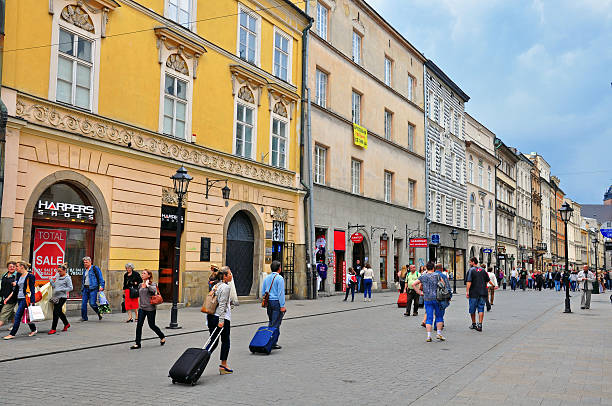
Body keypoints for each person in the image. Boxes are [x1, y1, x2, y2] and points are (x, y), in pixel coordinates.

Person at [207, 267, 234, 374]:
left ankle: (201, 358)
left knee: (213, 342)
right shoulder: (226, 288)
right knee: (225, 341)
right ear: (225, 276)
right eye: (230, 274)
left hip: (211, 316)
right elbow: (222, 305)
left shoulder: (216, 285)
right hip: (221, 318)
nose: (232, 276)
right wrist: (221, 321)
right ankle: (223, 365)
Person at [130, 269, 165, 349]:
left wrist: (148, 285)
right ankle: (137, 343)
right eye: (142, 273)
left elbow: (154, 291)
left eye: (144, 273)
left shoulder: (152, 284)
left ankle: (161, 336)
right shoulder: (140, 285)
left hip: (150, 308)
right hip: (142, 308)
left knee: (152, 325)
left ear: (149, 275)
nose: (142, 274)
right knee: (139, 325)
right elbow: (138, 294)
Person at [412, 261, 445, 342]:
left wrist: (419, 292)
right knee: (439, 316)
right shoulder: (437, 275)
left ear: (426, 268)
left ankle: (428, 336)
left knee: (429, 317)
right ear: (433, 268)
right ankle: (438, 333)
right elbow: (443, 284)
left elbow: (413, 284)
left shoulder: (423, 276)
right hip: (437, 298)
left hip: (427, 298)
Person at [3, 261, 37, 339]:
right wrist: (9, 298)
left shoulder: (30, 276)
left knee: (17, 315)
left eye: (17, 266)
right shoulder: (19, 275)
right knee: (27, 315)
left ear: (22, 266)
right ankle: (34, 329)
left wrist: (32, 301)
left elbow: (32, 289)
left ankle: (12, 334)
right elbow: (16, 289)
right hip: (19, 297)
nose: (16, 268)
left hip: (26, 298)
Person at [261, 260, 285, 350]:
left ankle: (271, 341)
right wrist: (282, 305)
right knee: (275, 323)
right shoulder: (280, 278)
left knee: (271, 321)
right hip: (276, 302)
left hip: (269, 303)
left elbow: (263, 292)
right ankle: (270, 342)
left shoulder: (267, 278)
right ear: (279, 269)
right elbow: (281, 293)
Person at [48, 263, 73, 334]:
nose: (58, 273)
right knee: (59, 311)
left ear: (64, 271)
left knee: (55, 312)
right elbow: (54, 286)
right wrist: (51, 281)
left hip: (62, 297)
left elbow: (71, 288)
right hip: (56, 297)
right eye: (58, 271)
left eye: (60, 271)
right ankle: (66, 324)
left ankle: (53, 329)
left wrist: (61, 289)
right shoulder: (57, 275)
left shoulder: (67, 278)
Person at [466, 257, 489, 332]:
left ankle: (474, 323)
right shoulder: (483, 270)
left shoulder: (471, 270)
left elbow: (469, 282)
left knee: (472, 309)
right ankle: (480, 324)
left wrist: (467, 291)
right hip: (482, 292)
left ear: (473, 262)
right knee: (481, 308)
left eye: (470, 262)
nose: (469, 263)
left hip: (473, 293)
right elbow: (486, 281)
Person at [80, 256, 105, 321]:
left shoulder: (95, 268)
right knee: (83, 304)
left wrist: (102, 286)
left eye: (86, 262)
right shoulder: (85, 270)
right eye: (84, 262)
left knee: (92, 303)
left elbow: (100, 277)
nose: (85, 263)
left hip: (93, 289)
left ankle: (99, 312)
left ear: (90, 262)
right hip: (85, 288)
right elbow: (84, 279)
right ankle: (84, 317)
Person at [0, 261, 18, 330]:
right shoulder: (4, 275)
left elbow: (14, 290)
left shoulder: (16, 276)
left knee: (3, 314)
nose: (12, 268)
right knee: (11, 313)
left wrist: (8, 298)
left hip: (11, 298)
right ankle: (14, 326)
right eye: (10, 266)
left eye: (13, 267)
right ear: (7, 267)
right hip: (3, 297)